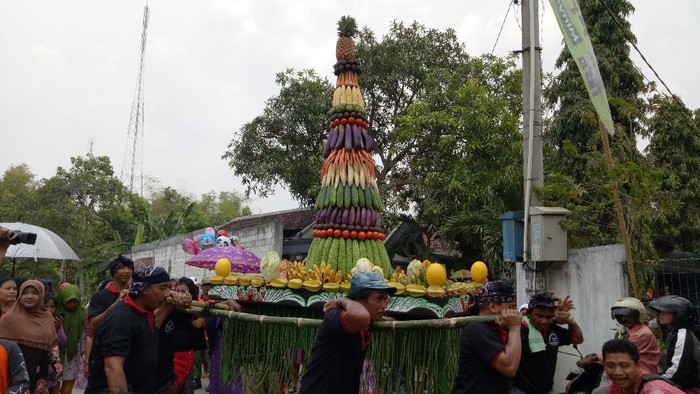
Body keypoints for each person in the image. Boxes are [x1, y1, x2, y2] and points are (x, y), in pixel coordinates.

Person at [298, 271, 396, 394]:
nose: (384, 305)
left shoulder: (363, 323)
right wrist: (343, 300)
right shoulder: (335, 315)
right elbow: (361, 316)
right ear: (358, 301)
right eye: (378, 299)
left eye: (385, 299)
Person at [85, 266, 171, 394]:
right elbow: (113, 367)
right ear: (145, 289)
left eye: (168, 288)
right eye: (162, 288)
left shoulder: (146, 314)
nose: (167, 294)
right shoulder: (121, 318)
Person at [452, 280, 521, 394]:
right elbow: (510, 368)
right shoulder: (477, 329)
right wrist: (514, 328)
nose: (514, 312)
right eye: (511, 307)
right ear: (493, 307)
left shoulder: (497, 328)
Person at [512, 291, 584, 394]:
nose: (544, 321)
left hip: (546, 390)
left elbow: (578, 339)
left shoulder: (553, 329)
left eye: (549, 317)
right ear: (528, 313)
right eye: (539, 316)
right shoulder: (518, 330)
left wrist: (570, 320)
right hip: (520, 390)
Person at [0, 280, 61, 393]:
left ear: (41, 295)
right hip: (14, 372)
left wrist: (56, 361)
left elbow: (52, 343)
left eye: (34, 293)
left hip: (39, 371)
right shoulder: (9, 318)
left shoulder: (47, 317)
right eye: (25, 293)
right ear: (20, 295)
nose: (29, 296)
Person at [579, 297, 660, 376]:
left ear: (638, 316)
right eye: (620, 316)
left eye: (628, 315)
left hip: (642, 374)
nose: (623, 319)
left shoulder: (641, 334)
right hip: (632, 370)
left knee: (601, 389)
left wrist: (592, 359)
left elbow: (619, 352)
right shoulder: (634, 330)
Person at [84, 255, 134, 377]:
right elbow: (93, 324)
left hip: (132, 354)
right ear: (113, 272)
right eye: (121, 267)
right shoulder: (100, 297)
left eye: (129, 268)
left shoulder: (136, 295)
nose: (127, 271)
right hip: (103, 353)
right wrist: (115, 305)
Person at [155, 277, 207, 393]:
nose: (179, 294)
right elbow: (155, 322)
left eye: (183, 291)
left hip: (183, 355)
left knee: (180, 387)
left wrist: (187, 306)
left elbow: (198, 324)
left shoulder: (195, 308)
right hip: (165, 355)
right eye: (177, 291)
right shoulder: (167, 305)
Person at [647, 295, 700, 392]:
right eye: (659, 312)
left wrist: (658, 380)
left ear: (678, 314)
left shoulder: (682, 334)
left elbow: (677, 369)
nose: (660, 315)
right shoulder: (673, 333)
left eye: (664, 312)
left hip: (688, 388)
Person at [603, 339, 684, 394]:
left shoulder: (653, 390)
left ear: (637, 365)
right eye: (610, 366)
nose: (617, 372)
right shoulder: (614, 387)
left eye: (624, 366)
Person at [54, 284, 84, 394]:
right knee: (55, 381)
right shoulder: (55, 313)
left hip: (73, 355)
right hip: (56, 355)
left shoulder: (81, 314)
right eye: (69, 301)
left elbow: (83, 336)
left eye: (75, 301)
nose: (72, 304)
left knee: (69, 381)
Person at [44, 295, 67, 394]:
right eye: (46, 306)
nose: (49, 310)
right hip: (40, 365)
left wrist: (57, 328)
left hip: (52, 366)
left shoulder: (56, 322)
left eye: (52, 306)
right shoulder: (35, 321)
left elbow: (63, 342)